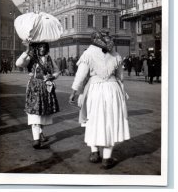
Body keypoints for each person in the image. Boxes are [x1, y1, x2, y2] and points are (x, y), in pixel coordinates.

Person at [69, 31, 130, 169]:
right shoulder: (115, 55)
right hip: (113, 89)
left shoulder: (88, 54)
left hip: (94, 90)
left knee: (93, 120)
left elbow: (80, 75)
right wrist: (122, 91)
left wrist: (73, 92)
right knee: (110, 121)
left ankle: (94, 153)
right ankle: (107, 158)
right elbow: (120, 77)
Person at [16, 42, 60, 149]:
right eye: (40, 46)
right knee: (34, 113)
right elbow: (18, 63)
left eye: (44, 47)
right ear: (36, 47)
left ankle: (40, 132)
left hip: (46, 88)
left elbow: (57, 71)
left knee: (43, 112)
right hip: (34, 88)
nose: (42, 48)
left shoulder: (49, 58)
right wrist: (26, 51)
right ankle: (36, 139)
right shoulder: (31, 58)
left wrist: (52, 77)